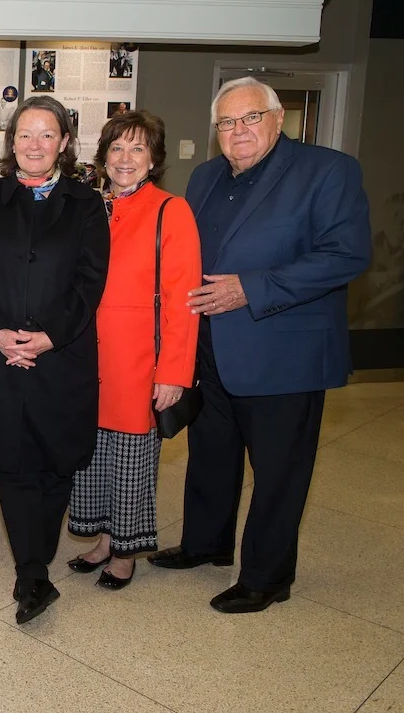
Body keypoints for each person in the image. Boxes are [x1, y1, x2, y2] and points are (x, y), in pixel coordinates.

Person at [148, 77, 371, 613]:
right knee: (211, 456)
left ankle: (268, 577)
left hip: (282, 353)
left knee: (278, 471)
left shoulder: (328, 171)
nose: (237, 131)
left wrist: (251, 288)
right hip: (210, 349)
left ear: (277, 118)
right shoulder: (203, 177)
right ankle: (206, 544)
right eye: (226, 122)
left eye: (249, 118)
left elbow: (346, 255)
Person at [0, 96, 109, 624]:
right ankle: (31, 576)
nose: (35, 145)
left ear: (64, 143)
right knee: (15, 464)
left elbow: (91, 283)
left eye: (47, 135)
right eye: (25, 135)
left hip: (61, 357)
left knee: (57, 461)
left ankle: (34, 564)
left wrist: (45, 338)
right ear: (11, 142)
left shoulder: (87, 205)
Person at [66, 111, 200, 590]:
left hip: (138, 362)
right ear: (102, 157)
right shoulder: (89, 207)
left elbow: (183, 301)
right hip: (88, 359)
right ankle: (103, 540)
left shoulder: (171, 211)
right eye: (117, 148)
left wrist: (174, 372)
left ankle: (125, 552)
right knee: (93, 455)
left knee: (130, 460)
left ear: (154, 159)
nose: (125, 159)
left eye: (137, 149)